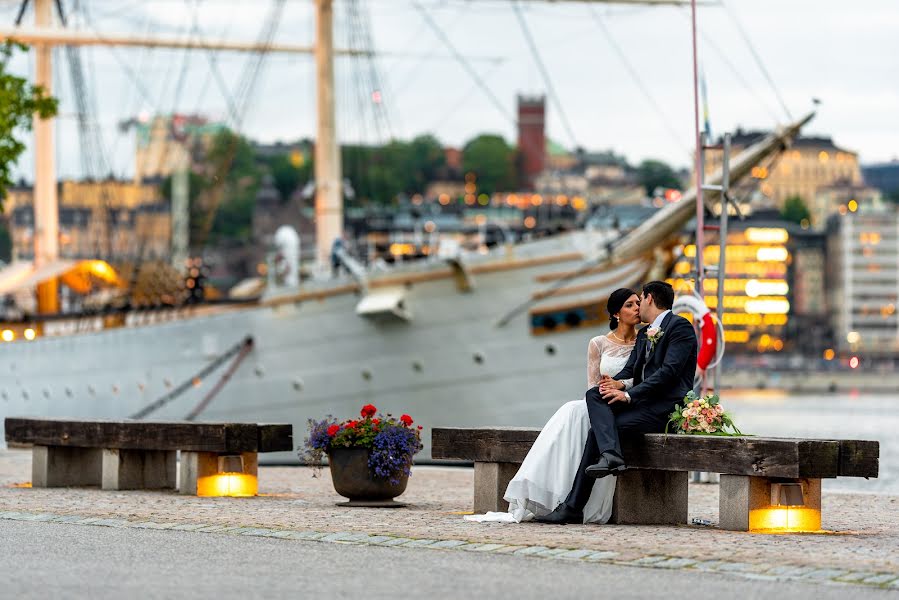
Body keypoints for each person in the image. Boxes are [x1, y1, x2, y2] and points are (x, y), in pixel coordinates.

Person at [464, 288, 641, 524]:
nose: (637, 308)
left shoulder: (646, 342)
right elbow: (592, 386)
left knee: (577, 415)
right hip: (600, 401)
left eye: (638, 303)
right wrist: (605, 390)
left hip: (628, 402)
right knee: (571, 410)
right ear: (616, 313)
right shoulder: (598, 343)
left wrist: (621, 388)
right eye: (630, 304)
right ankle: (552, 489)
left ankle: (581, 493)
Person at [535, 280, 698, 524]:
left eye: (640, 299)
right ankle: (609, 456)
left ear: (650, 298)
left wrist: (629, 395)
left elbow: (669, 373)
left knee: (596, 433)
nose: (638, 305)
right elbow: (632, 369)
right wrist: (615, 384)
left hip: (665, 409)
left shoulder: (680, 327)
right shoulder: (645, 333)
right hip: (644, 405)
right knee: (594, 394)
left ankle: (574, 505)